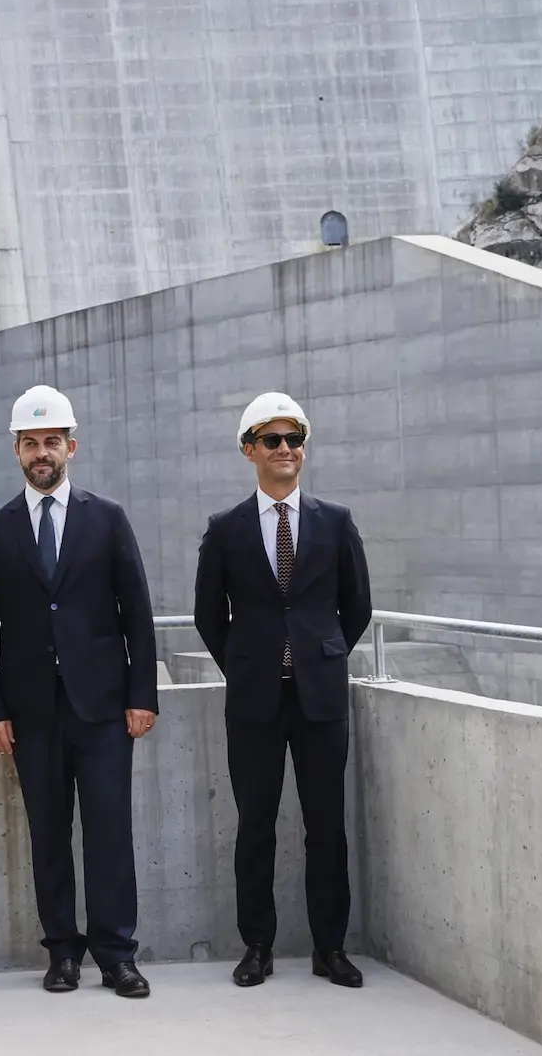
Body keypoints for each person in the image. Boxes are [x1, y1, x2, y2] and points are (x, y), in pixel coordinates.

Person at [0, 386, 159, 998]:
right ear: (17, 451)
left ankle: (116, 953)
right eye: (31, 443)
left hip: (102, 709)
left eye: (51, 441)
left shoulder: (108, 519)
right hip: (31, 714)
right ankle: (62, 953)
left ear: (71, 446)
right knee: (49, 834)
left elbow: (138, 615)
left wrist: (142, 694)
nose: (42, 452)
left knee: (109, 833)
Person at [193, 392, 372, 990]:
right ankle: (258, 947)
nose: (286, 450)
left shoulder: (336, 521)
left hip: (320, 700)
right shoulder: (225, 530)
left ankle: (330, 948)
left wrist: (321, 655)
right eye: (272, 440)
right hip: (254, 704)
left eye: (295, 440)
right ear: (250, 450)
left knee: (326, 827)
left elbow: (358, 607)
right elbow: (208, 616)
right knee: (256, 827)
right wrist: (247, 664)